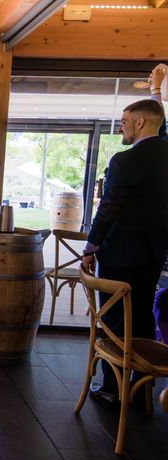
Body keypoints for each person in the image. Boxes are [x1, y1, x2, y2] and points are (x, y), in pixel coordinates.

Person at [82, 99, 168, 405]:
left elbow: (109, 209)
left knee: (114, 321)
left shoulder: (125, 161)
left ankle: (112, 389)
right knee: (143, 317)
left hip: (120, 255)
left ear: (141, 122)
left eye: (125, 120)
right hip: (153, 253)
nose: (122, 126)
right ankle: (141, 386)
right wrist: (157, 90)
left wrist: (90, 247)